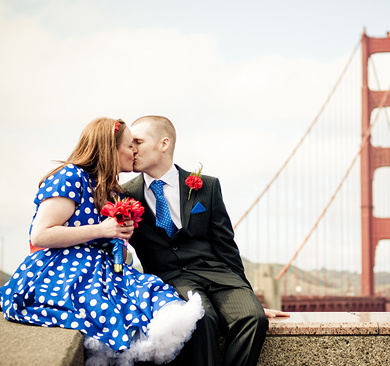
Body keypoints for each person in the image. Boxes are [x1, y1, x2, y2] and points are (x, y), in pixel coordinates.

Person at [0, 117, 204, 366]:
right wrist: (103, 229)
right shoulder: (70, 176)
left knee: (164, 309)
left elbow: (109, 244)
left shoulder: (112, 190)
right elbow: (41, 235)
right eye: (130, 145)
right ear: (110, 148)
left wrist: (119, 239)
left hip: (106, 272)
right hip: (65, 271)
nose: (134, 151)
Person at [123, 115, 289, 366]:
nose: (131, 149)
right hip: (170, 278)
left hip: (219, 275)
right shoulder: (125, 195)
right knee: (202, 320)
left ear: (163, 144)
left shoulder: (207, 186)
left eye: (138, 141)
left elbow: (226, 245)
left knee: (253, 318)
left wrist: (246, 296)